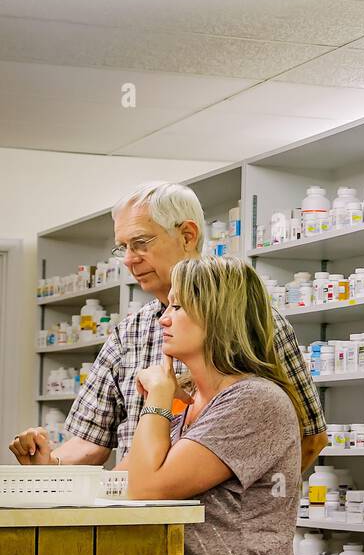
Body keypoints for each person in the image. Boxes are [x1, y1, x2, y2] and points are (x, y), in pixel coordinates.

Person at [10, 181, 328, 473]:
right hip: (144, 518)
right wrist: (49, 466)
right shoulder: (129, 333)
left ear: (187, 235)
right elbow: (91, 440)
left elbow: (309, 436)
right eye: (123, 248)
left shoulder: (258, 324)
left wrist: (244, 499)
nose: (129, 260)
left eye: (140, 243)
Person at [127, 255, 306, 555]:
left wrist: (158, 400)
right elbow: (125, 485)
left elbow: (147, 489)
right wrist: (45, 474)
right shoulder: (197, 406)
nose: (163, 318)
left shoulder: (254, 400)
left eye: (179, 307)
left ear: (218, 315)